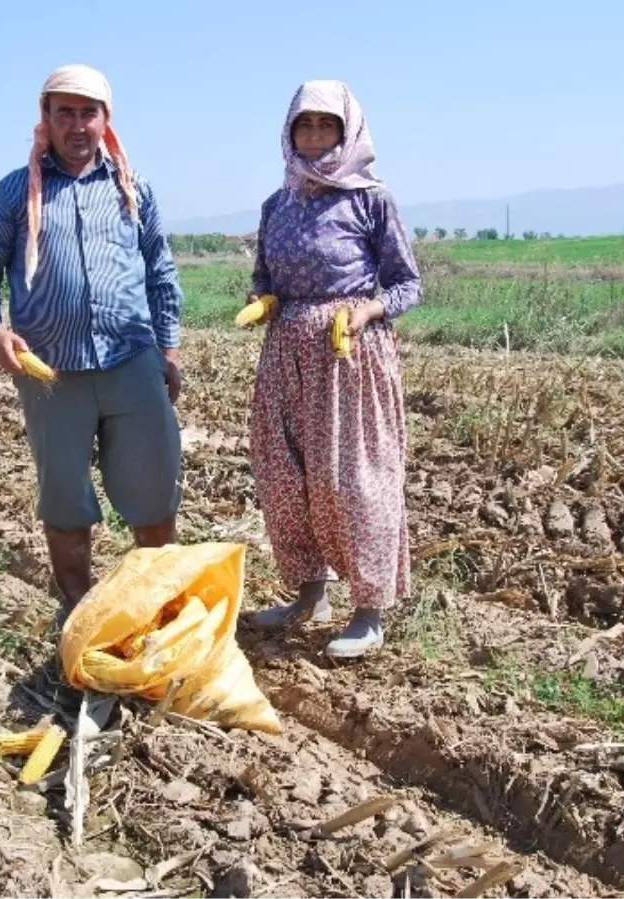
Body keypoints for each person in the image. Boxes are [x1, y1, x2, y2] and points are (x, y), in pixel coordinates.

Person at [0, 63, 185, 623]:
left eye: (89, 113)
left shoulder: (132, 189)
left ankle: (156, 612)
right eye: (66, 112)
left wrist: (170, 348)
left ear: (106, 121)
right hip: (50, 371)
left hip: (131, 359)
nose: (77, 125)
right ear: (47, 119)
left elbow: (160, 272)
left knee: (153, 493)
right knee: (64, 497)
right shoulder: (15, 192)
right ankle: (78, 615)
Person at [243, 79, 421, 659]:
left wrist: (367, 309)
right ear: (289, 132)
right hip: (285, 351)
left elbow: (407, 284)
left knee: (349, 479)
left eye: (327, 125)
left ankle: (368, 610)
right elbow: (266, 275)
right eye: (305, 125)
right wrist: (265, 298)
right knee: (285, 475)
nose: (315, 135)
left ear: (348, 132)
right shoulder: (278, 204)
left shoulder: (372, 199)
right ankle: (309, 594)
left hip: (348, 356)